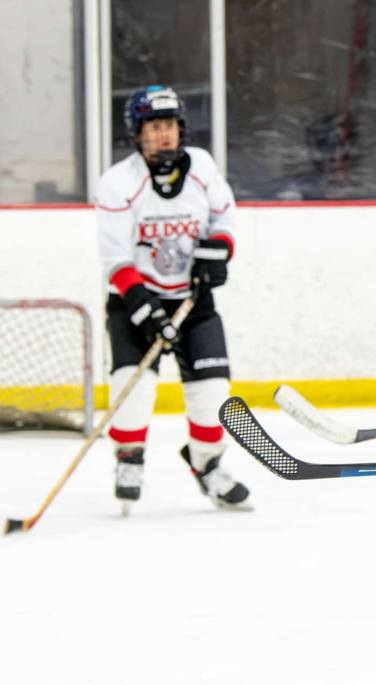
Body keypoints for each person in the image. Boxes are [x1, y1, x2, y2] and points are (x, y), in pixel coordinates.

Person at [95, 85, 251, 514]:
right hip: (133, 301)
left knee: (212, 390)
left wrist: (217, 251)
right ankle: (129, 459)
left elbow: (224, 216)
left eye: (170, 126)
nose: (164, 135)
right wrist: (148, 311)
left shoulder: (201, 166)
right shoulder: (118, 183)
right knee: (134, 387)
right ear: (138, 133)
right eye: (155, 126)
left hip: (192, 301)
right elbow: (115, 258)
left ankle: (207, 465)